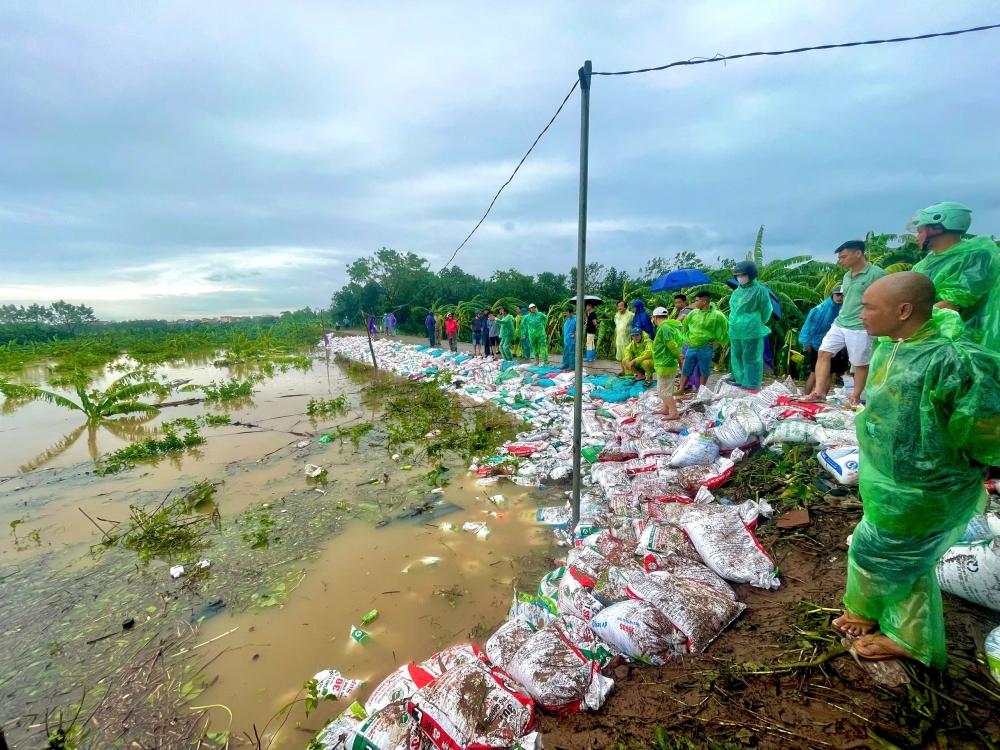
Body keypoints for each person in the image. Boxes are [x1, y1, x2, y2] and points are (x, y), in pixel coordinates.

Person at [832, 272, 1000, 666]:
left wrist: (970, 465)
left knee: (884, 552)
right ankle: (874, 615)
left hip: (928, 485)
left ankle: (908, 638)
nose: (860, 312)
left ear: (904, 310)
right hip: (890, 481)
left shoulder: (953, 359)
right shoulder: (896, 346)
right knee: (888, 551)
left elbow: (983, 428)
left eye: (869, 306)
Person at [909, 201, 1000, 351]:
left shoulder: (976, 257)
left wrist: (907, 325)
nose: (916, 238)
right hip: (927, 337)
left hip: (964, 343)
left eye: (920, 232)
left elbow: (952, 303)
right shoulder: (924, 264)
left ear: (937, 228)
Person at [805, 241, 885, 405]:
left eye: (843, 257)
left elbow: (886, 298)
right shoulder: (847, 276)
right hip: (840, 323)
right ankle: (819, 392)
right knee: (823, 352)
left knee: (859, 364)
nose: (840, 261)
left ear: (858, 254)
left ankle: (855, 397)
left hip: (860, 326)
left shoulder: (877, 275)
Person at [727, 261, 773, 390]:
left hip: (751, 329)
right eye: (738, 275)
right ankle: (740, 379)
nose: (740, 278)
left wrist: (756, 321)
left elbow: (766, 309)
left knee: (751, 357)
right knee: (736, 356)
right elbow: (732, 309)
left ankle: (751, 383)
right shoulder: (736, 292)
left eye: (743, 275)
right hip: (735, 329)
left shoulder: (760, 290)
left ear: (751, 274)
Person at [679, 291, 728, 393]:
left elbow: (726, 329)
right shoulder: (693, 313)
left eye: (697, 300)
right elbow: (684, 326)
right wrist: (687, 338)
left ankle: (700, 391)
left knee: (704, 370)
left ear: (704, 301)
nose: (694, 303)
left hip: (706, 347)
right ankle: (681, 389)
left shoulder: (717, 315)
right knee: (686, 369)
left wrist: (718, 341)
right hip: (692, 346)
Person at [798, 287, 845, 393]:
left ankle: (821, 397)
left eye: (842, 295)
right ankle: (806, 396)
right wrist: (807, 343)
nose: (840, 297)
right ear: (832, 295)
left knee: (829, 373)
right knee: (814, 373)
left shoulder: (844, 310)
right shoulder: (820, 309)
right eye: (837, 295)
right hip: (817, 345)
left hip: (835, 345)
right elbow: (808, 327)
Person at [650, 307, 683, 419]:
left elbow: (671, 345)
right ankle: (665, 408)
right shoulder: (669, 326)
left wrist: (679, 357)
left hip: (666, 363)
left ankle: (674, 413)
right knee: (667, 388)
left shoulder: (664, 328)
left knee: (663, 391)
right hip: (665, 363)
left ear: (655, 317)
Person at [561, 307, 577, 371]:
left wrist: (575, 334)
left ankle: (572, 367)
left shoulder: (575, 319)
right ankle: (565, 365)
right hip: (566, 340)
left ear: (571, 313)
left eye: (567, 313)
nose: (566, 314)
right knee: (565, 353)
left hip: (572, 340)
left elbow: (579, 329)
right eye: (566, 313)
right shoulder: (567, 320)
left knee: (572, 354)